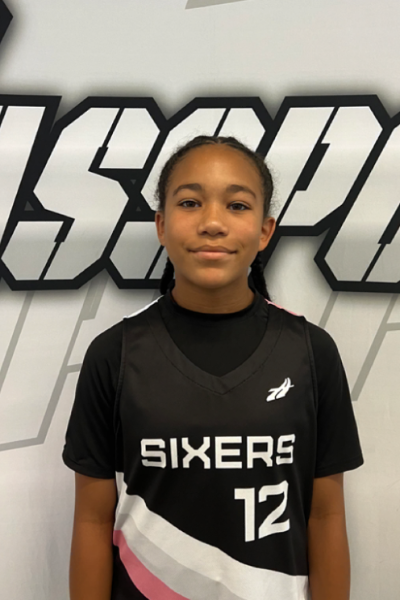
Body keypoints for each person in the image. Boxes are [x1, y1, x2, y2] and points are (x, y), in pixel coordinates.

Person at [62, 135, 364, 600]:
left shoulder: (310, 352)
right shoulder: (114, 355)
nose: (212, 223)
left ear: (265, 231)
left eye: (237, 205)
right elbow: (92, 518)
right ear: (161, 225)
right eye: (190, 202)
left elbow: (325, 515)